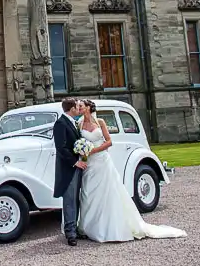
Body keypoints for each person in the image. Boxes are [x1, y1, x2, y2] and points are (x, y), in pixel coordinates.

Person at [76, 99, 187, 242]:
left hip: (102, 160)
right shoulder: (79, 124)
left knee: (107, 192)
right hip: (89, 163)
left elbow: (109, 141)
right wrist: (83, 150)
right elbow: (78, 141)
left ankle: (108, 226)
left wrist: (94, 150)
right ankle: (88, 226)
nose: (79, 108)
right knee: (88, 193)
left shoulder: (100, 122)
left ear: (89, 108)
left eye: (81, 106)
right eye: (78, 106)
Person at [53, 97, 88, 246]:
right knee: (69, 200)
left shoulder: (74, 123)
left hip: (78, 166)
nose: (79, 109)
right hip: (69, 168)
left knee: (77, 198)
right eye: (76, 107)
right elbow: (61, 148)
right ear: (71, 108)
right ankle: (70, 233)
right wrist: (75, 162)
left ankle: (76, 228)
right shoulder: (60, 123)